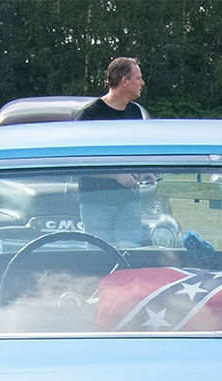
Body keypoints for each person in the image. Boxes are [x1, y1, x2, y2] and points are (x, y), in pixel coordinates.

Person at [74, 57, 149, 246]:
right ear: (125, 81)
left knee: (130, 256)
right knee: (99, 259)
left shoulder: (135, 113)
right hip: (96, 203)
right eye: (138, 78)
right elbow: (78, 164)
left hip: (129, 201)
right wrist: (116, 176)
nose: (142, 83)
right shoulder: (89, 116)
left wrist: (144, 170)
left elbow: (137, 153)